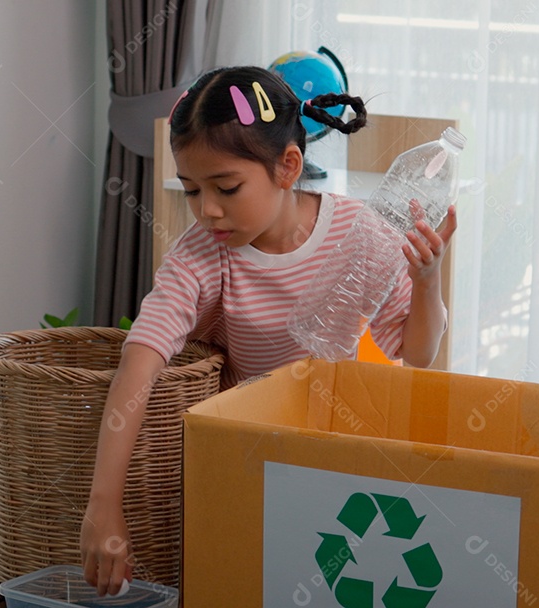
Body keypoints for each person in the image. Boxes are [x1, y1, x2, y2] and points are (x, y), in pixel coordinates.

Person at [79, 65, 456, 596]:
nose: (208, 210)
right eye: (191, 191)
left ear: (288, 166)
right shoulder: (202, 254)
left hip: (340, 458)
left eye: (227, 187)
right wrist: (102, 505)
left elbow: (418, 353)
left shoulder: (359, 233)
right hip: (248, 462)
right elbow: (139, 363)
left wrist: (426, 281)